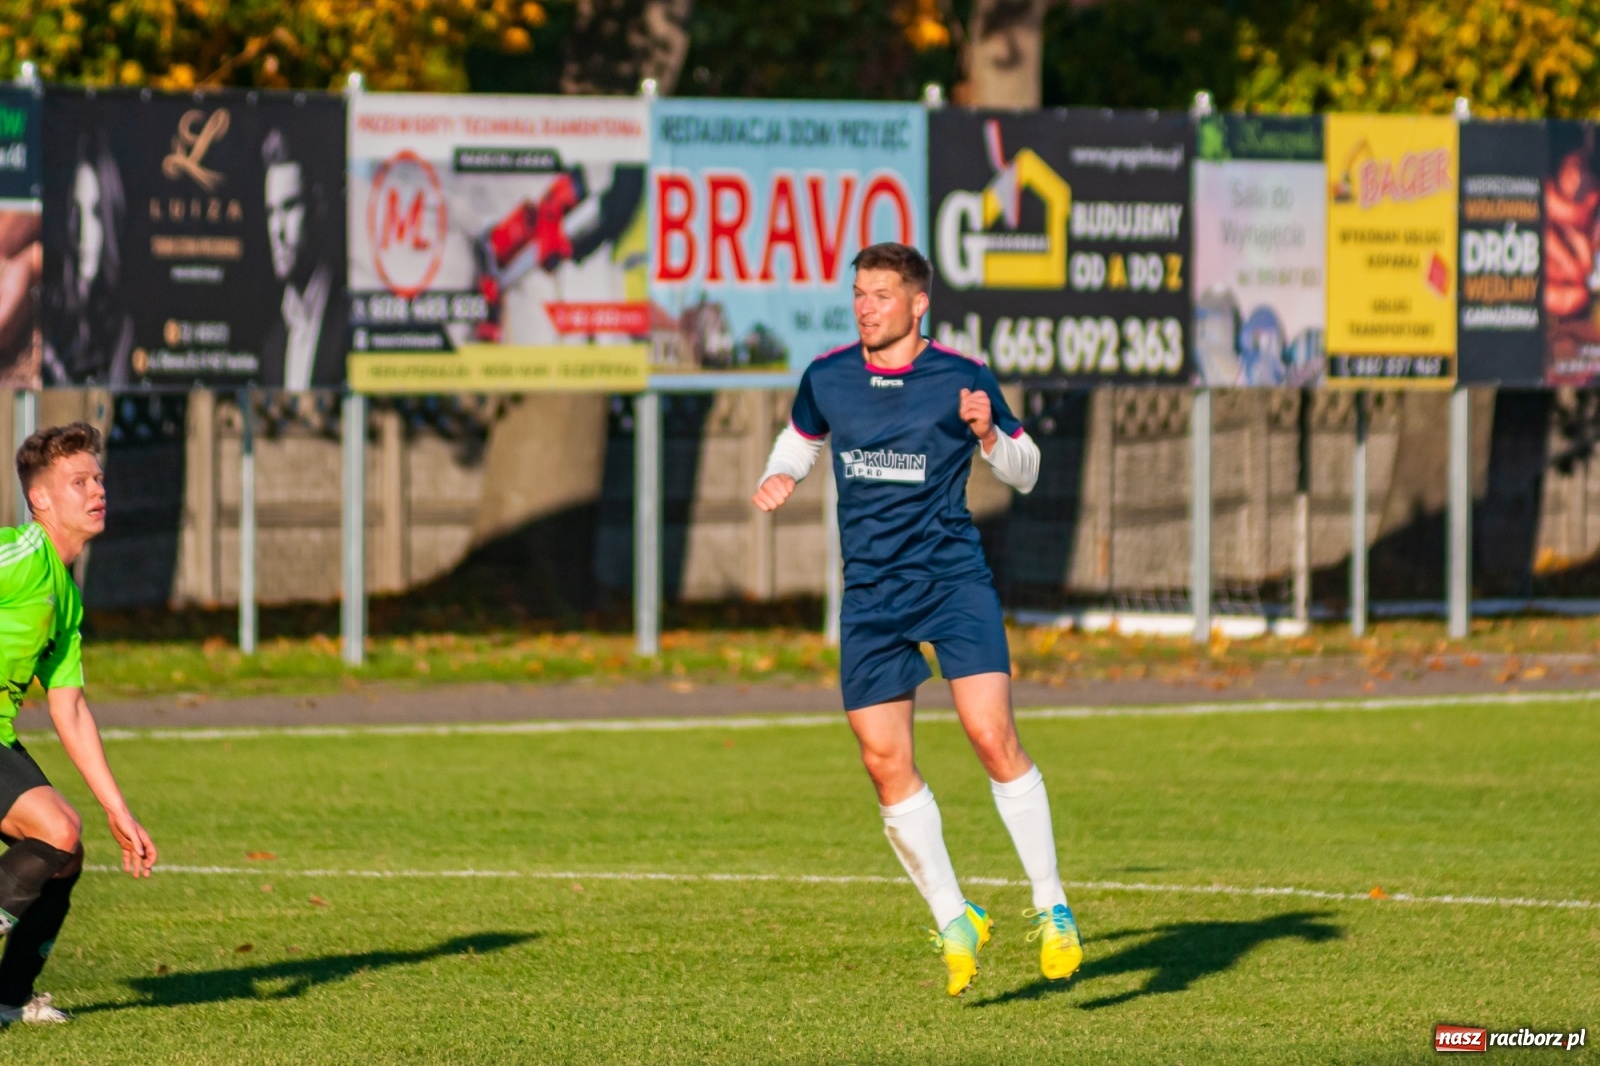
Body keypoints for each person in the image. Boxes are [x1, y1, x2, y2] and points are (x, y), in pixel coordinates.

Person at [751, 243, 1081, 997]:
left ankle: (1052, 906)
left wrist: (989, 435)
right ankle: (954, 916)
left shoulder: (963, 377)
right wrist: (781, 472)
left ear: (918, 302)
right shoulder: (828, 375)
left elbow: (1027, 471)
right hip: (871, 595)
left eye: (880, 295)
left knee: (990, 735)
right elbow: (801, 437)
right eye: (858, 294)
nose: (865, 308)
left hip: (951, 582)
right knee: (882, 761)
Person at [0, 423, 157, 1025]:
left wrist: (120, 810)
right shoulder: (20, 556)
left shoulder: (65, 594)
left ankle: (9, 998)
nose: (97, 490)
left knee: (64, 855)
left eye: (98, 478)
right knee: (57, 828)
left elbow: (69, 708)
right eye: (79, 481)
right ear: (39, 498)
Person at [259, 128, 342, 390]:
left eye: (289, 207)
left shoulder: (352, 322)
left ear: (318, 208)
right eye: (271, 212)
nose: (277, 230)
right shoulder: (271, 345)